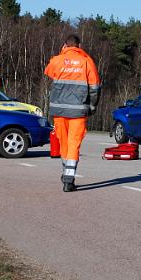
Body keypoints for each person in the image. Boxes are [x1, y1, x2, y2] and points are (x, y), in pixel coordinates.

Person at [44, 34, 101, 192]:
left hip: (59, 110)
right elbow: (95, 88)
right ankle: (68, 180)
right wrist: (92, 106)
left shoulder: (56, 60)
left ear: (65, 45)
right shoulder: (87, 61)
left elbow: (49, 72)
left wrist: (62, 55)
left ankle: (66, 173)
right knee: (73, 144)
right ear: (79, 46)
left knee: (63, 143)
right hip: (78, 111)